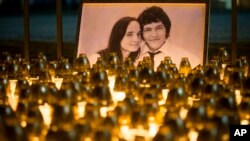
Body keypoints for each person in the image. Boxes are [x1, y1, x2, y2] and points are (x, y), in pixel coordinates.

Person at [135, 6, 201, 70]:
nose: (154, 35)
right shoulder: (133, 58)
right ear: (141, 33)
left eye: (159, 28)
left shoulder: (191, 60)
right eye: (148, 30)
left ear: (166, 29)